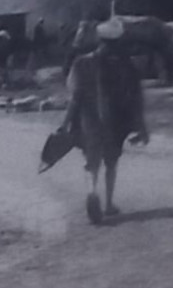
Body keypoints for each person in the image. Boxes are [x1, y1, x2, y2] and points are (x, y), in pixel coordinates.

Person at [59, 17, 149, 224]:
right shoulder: (127, 66)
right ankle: (109, 204)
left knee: (92, 160)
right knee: (112, 161)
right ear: (119, 40)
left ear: (99, 39)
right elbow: (136, 98)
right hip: (115, 121)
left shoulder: (82, 63)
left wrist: (66, 123)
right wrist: (140, 126)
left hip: (88, 119)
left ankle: (91, 192)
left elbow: (75, 96)